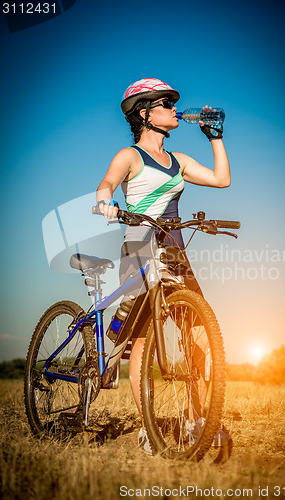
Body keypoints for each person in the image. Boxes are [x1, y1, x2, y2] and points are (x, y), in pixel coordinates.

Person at [96, 78, 231, 454]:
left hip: (173, 250)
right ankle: (147, 426)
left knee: (198, 330)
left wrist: (214, 137)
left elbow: (222, 180)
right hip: (139, 247)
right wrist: (106, 202)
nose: (175, 109)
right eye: (166, 104)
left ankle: (198, 419)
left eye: (174, 104)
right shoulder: (130, 157)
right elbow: (107, 184)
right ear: (145, 114)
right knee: (140, 339)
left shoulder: (178, 161)